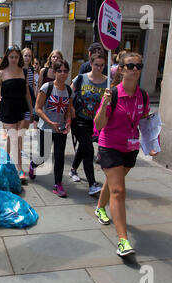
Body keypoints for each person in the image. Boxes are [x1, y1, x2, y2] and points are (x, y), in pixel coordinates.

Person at [94, 52, 158, 257]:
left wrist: (151, 146)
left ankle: (99, 208)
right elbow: (98, 125)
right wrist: (104, 105)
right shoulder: (112, 94)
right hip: (110, 146)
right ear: (121, 69)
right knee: (119, 191)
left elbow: (146, 124)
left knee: (114, 184)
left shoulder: (144, 96)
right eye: (131, 66)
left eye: (139, 65)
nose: (136, 69)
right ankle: (123, 241)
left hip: (130, 148)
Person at [0, 45, 33, 183]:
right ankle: (19, 168)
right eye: (11, 57)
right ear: (7, 57)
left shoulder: (23, 72)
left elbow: (27, 93)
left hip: (21, 107)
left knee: (13, 139)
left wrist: (31, 110)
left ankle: (4, 165)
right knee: (14, 137)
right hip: (7, 108)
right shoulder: (1, 73)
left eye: (16, 57)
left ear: (19, 58)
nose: (14, 59)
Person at [29, 60, 74, 197]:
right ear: (54, 72)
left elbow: (67, 110)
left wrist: (68, 121)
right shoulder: (46, 88)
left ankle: (58, 184)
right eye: (59, 71)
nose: (62, 74)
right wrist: (50, 122)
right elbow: (37, 108)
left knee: (59, 156)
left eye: (65, 71)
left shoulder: (69, 90)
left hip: (60, 129)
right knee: (44, 155)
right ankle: (33, 164)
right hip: (46, 128)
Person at [69, 53, 107, 196]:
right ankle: (92, 184)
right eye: (96, 64)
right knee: (89, 150)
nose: (99, 68)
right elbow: (69, 95)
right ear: (90, 64)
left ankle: (73, 169)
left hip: (95, 122)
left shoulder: (107, 82)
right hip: (79, 120)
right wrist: (71, 109)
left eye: (102, 65)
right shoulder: (80, 79)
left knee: (84, 146)